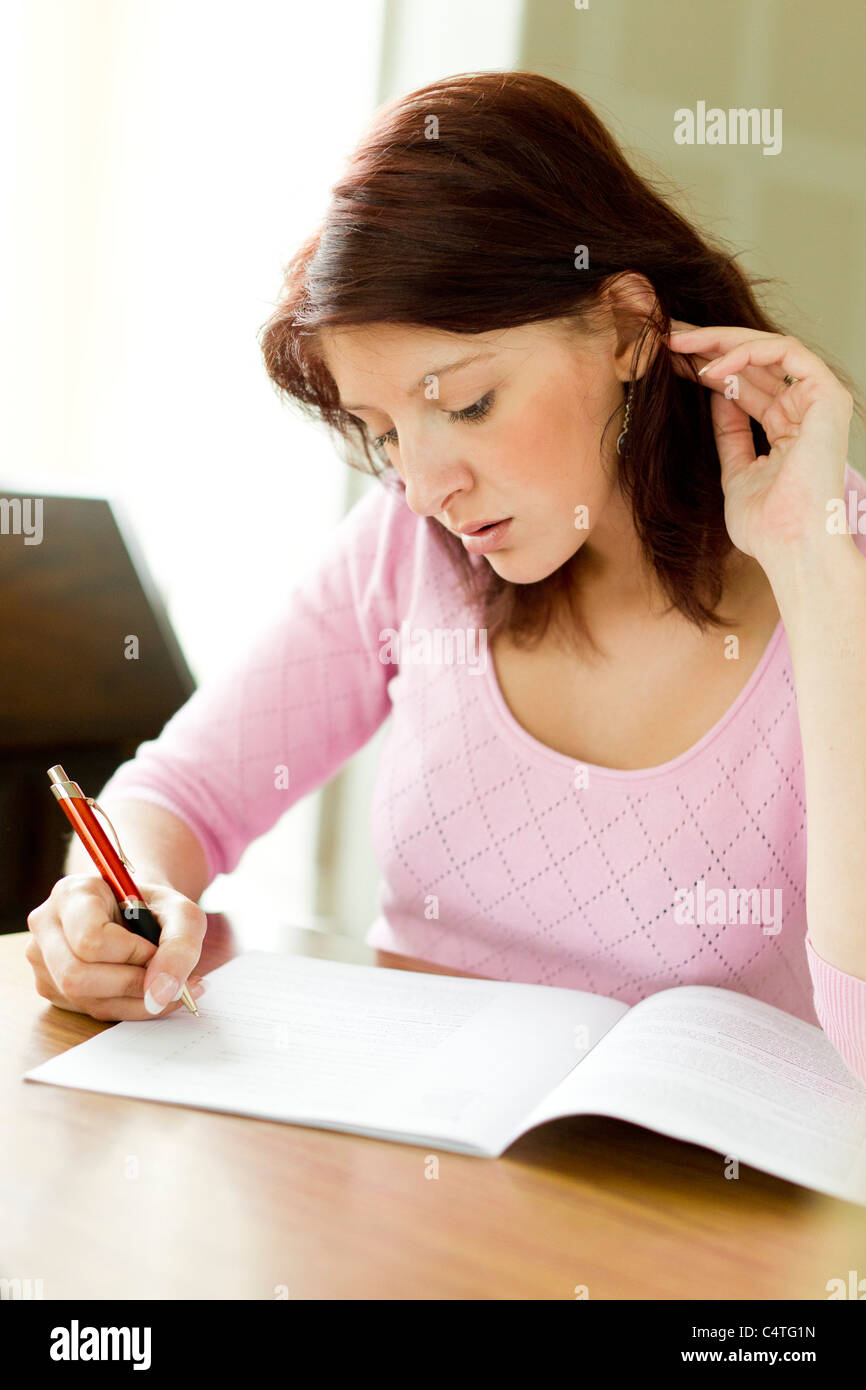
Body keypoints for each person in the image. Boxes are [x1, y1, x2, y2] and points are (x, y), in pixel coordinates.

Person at [25, 71, 866, 1085]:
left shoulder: (831, 560)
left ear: (629, 329)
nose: (425, 487)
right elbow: (182, 794)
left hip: (695, 1229)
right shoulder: (414, 546)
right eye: (382, 434)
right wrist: (107, 905)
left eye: (464, 405)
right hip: (422, 1191)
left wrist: (813, 568)